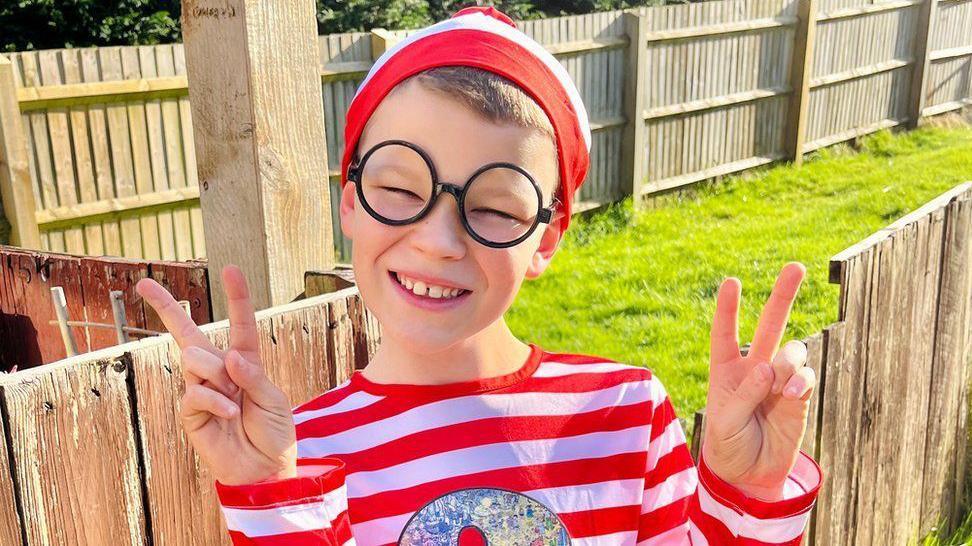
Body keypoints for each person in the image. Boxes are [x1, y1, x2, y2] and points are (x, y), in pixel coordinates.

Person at [136, 6, 821, 545]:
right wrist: (270, 495)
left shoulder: (624, 416)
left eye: (494, 207)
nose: (438, 241)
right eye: (400, 188)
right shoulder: (297, 449)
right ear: (350, 199)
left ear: (547, 237)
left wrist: (746, 492)